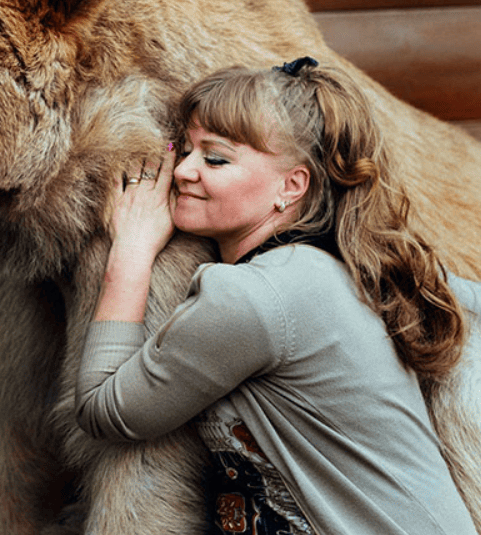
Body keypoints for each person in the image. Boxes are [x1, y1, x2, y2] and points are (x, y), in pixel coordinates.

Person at [74, 57, 477, 534]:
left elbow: (106, 410)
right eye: (184, 150)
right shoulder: (343, 268)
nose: (182, 170)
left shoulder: (254, 297)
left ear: (292, 186)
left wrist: (130, 253)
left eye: (215, 158)